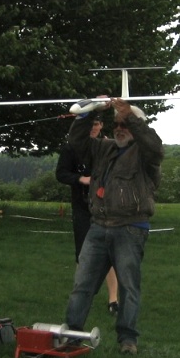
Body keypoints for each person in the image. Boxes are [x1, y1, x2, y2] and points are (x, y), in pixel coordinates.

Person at [63, 98, 164, 355]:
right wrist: (89, 112)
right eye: (116, 124)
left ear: (135, 125)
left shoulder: (145, 154)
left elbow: (155, 147)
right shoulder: (103, 148)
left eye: (124, 125)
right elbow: (77, 142)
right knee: (82, 285)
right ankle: (72, 334)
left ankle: (127, 339)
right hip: (98, 226)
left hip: (130, 228)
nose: (119, 128)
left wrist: (130, 115)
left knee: (128, 287)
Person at [55, 117, 119, 314]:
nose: (93, 128)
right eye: (90, 124)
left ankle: (113, 299)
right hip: (82, 207)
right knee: (83, 253)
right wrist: (80, 179)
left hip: (106, 206)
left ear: (101, 126)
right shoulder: (70, 148)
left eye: (97, 124)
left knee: (109, 252)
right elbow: (61, 174)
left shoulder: (108, 145)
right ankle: (80, 298)